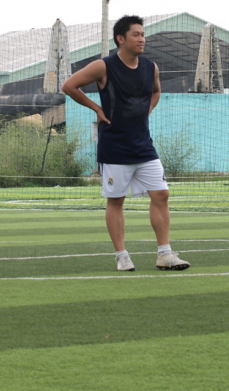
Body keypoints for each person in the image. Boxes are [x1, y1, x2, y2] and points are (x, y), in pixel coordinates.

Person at [61, 15, 190, 272]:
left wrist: (147, 111)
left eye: (143, 34)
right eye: (136, 35)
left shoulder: (150, 67)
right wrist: (97, 109)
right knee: (116, 200)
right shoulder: (104, 66)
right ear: (120, 39)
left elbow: (155, 91)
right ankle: (122, 255)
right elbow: (69, 85)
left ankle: (165, 254)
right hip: (115, 146)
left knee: (161, 194)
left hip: (144, 145)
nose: (142, 39)